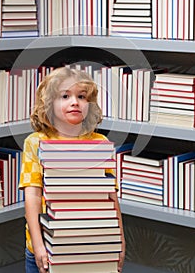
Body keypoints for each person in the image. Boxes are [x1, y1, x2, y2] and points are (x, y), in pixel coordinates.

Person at [19, 66, 125, 273]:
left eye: (81, 96)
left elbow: (110, 197)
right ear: (49, 104)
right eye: (65, 96)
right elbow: (32, 195)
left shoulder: (99, 143)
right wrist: (39, 245)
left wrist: (119, 239)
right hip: (46, 247)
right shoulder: (35, 142)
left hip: (92, 247)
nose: (75, 102)